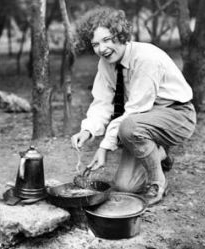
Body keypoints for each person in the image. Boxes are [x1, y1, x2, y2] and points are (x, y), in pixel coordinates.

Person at [71, 7, 196, 206]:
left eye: (106, 40)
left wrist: (104, 147)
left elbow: (135, 110)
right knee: (125, 186)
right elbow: (102, 103)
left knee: (128, 128)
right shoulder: (105, 64)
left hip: (177, 114)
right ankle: (159, 153)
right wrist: (87, 131)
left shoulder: (146, 58)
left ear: (120, 34)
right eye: (95, 44)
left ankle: (157, 182)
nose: (101, 49)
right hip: (143, 120)